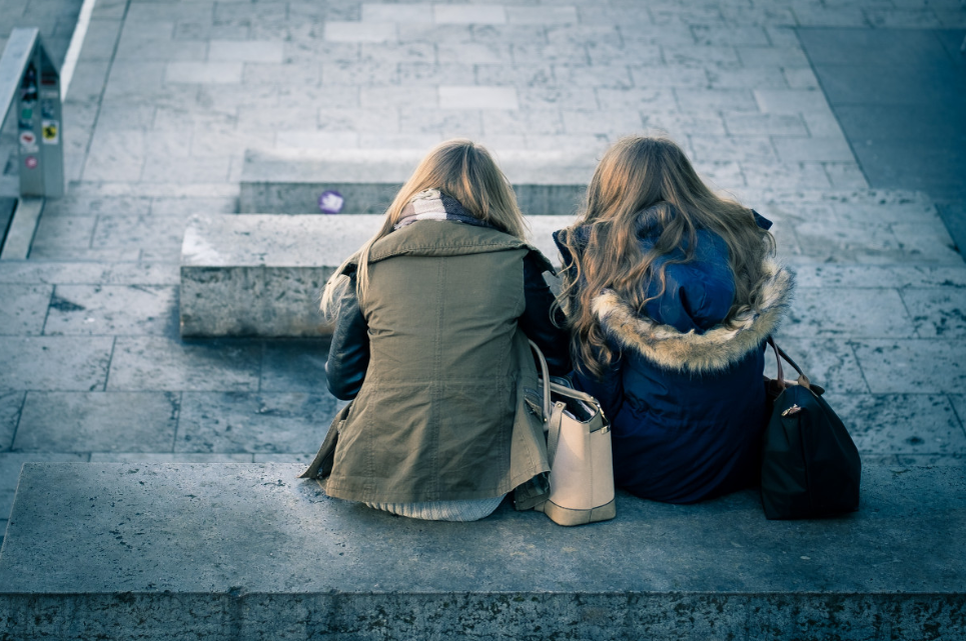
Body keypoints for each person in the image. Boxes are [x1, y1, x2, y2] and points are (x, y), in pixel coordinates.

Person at [318, 139, 569, 521]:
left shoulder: (369, 263)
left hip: (375, 482)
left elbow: (343, 383)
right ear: (494, 197)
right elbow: (557, 358)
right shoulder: (519, 261)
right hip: (484, 488)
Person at [553, 135, 794, 504]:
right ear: (687, 181)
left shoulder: (606, 257)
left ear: (609, 188)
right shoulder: (741, 239)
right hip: (741, 455)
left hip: (648, 466)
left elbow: (596, 382)